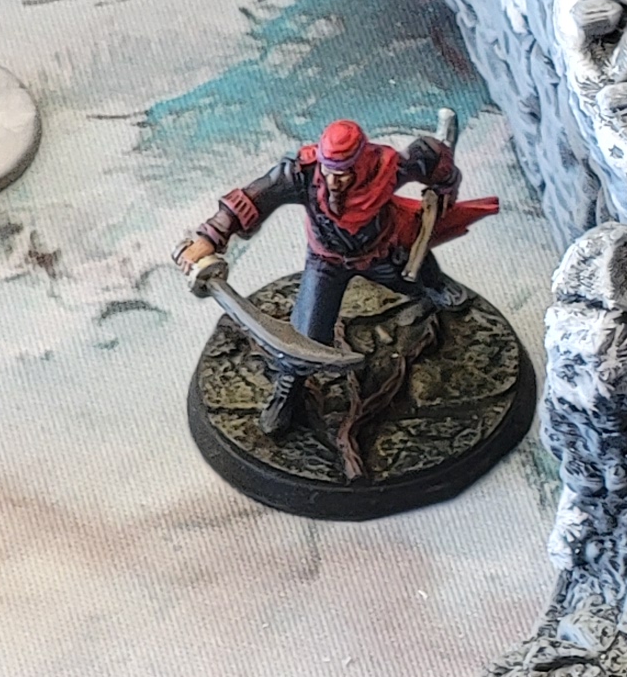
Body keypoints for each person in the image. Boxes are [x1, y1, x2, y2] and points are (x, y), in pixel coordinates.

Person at [178, 118, 492, 440]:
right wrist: (210, 236)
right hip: (326, 261)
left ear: (361, 162)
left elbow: (430, 155)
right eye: (328, 171)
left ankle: (437, 285)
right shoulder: (303, 173)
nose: (332, 181)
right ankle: (289, 390)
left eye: (342, 173)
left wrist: (444, 187)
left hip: (382, 250)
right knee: (306, 337)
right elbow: (253, 197)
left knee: (417, 273)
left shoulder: (386, 167)